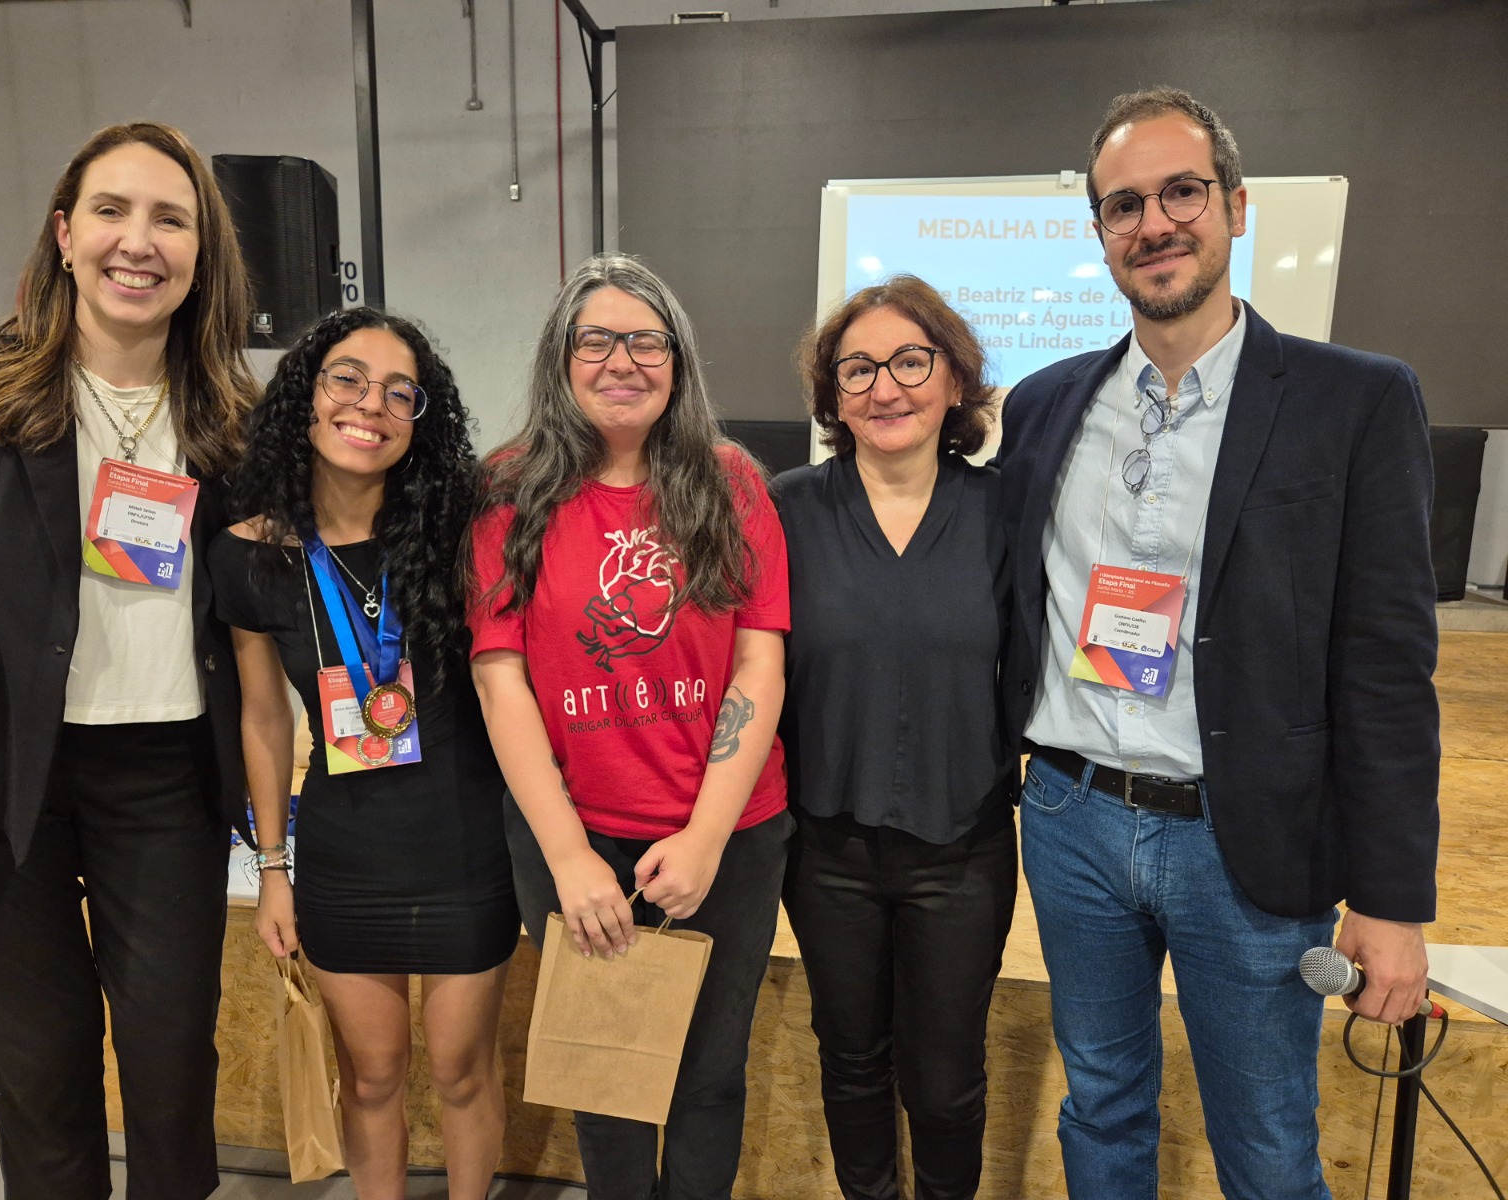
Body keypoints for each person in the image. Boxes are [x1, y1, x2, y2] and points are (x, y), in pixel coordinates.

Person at [997, 87, 1440, 1199]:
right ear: (1098, 234)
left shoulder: (1356, 403)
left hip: (1243, 837)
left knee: (1267, 1139)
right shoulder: (1046, 406)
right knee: (1098, 1105)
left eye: (1181, 192)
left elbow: (1387, 670)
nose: (1155, 224)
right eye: (1123, 205)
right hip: (1068, 818)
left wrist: (1390, 901)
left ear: (1236, 208)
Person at [0, 122, 257, 1199]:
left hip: (163, 785)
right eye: (111, 210)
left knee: (169, 1079)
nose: (136, 240)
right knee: (44, 1083)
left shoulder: (229, 424)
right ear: (65, 234)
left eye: (170, 218)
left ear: (202, 256)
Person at [466, 252, 792, 1200]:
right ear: (561, 361)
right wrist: (569, 857)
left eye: (646, 341)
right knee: (603, 1077)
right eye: (596, 340)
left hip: (729, 831)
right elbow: (501, 678)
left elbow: (758, 666)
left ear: (678, 362)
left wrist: (704, 837)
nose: (622, 360)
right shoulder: (509, 488)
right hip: (574, 835)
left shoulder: (732, 484)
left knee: (706, 1077)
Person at [212, 307, 518, 1200]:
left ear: (421, 418)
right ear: (305, 398)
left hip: (467, 844)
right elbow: (264, 720)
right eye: (347, 379)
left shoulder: (463, 528)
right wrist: (273, 867)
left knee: (464, 1071)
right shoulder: (246, 556)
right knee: (373, 1075)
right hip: (346, 854)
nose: (370, 405)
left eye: (398, 391)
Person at [774, 274, 1016, 1200]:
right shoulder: (788, 509)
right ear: (833, 397)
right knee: (852, 1062)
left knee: (948, 1082)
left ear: (954, 379)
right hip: (827, 848)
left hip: (964, 851)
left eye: (911, 361)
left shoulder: (1005, 510)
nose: (886, 387)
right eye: (858, 369)